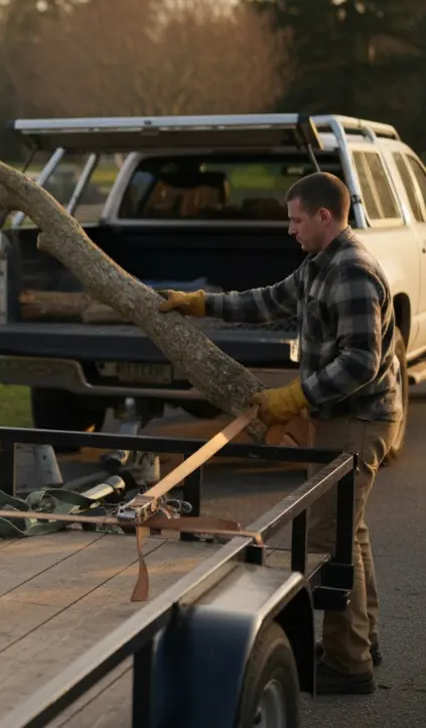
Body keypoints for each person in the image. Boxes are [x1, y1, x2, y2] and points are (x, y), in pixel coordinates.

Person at [156, 171, 400, 695]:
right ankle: (358, 640)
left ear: (324, 217)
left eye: (295, 220)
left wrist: (294, 397)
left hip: (359, 421)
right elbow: (267, 301)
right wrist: (201, 304)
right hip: (339, 418)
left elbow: (362, 361)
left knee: (325, 540)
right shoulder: (319, 266)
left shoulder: (352, 271)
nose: (289, 230)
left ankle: (348, 664)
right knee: (347, 532)